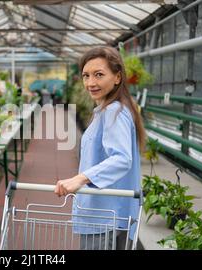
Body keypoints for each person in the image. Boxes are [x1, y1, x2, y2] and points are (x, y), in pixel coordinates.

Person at [54, 46, 146, 250]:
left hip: (104, 218)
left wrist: (80, 178)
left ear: (117, 77)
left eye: (99, 75)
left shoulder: (114, 112)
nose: (90, 83)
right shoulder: (109, 110)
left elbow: (122, 158)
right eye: (86, 76)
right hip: (109, 214)